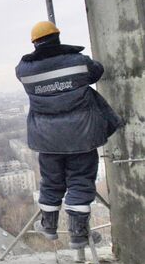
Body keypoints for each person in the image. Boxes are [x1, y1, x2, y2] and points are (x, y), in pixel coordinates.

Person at [16, 21, 122, 249]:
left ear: (34, 43)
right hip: (81, 136)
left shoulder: (24, 70)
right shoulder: (78, 63)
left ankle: (49, 226)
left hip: (47, 139)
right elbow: (97, 71)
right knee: (81, 183)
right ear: (57, 37)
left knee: (51, 182)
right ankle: (78, 235)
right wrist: (70, 52)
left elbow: (25, 69)